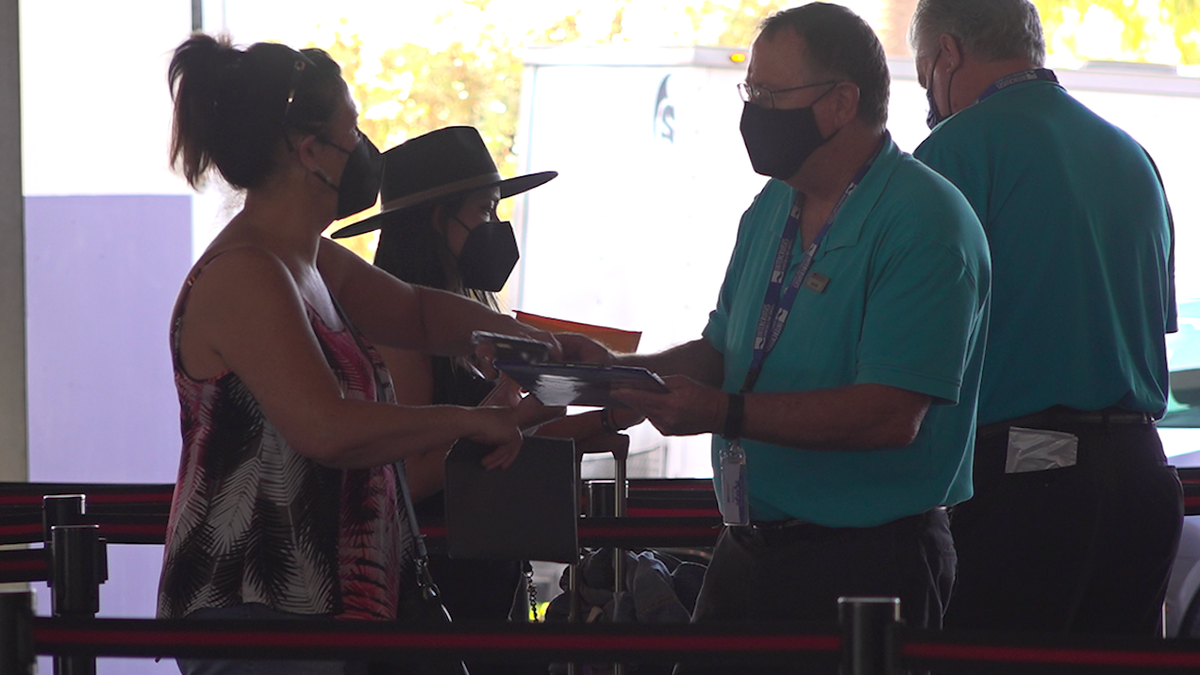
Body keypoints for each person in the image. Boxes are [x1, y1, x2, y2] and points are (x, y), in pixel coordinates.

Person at [158, 35, 574, 675]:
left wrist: (525, 344)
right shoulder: (247, 273)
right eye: (352, 129)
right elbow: (327, 428)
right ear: (310, 150)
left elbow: (417, 312)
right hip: (258, 610)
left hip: (333, 608)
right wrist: (467, 419)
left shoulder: (309, 258)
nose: (363, 148)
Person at [601, 5, 989, 672]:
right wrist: (619, 374)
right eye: (748, 93)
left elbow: (890, 415)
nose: (752, 114)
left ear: (841, 103)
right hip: (748, 548)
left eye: (768, 96)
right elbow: (723, 353)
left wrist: (722, 412)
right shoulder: (771, 209)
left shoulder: (924, 221)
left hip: (867, 566)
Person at [909, 0, 1183, 637]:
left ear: (948, 54)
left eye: (925, 74)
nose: (930, 93)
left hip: (1023, 485)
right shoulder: (1133, 157)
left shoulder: (951, 154)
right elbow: (1151, 327)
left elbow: (906, 346)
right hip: (1142, 479)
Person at [331, 127, 643, 667]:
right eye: (484, 212)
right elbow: (416, 473)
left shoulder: (470, 305)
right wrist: (515, 393)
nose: (496, 229)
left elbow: (495, 442)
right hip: (437, 577)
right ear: (437, 219)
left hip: (487, 568)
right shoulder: (400, 327)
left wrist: (602, 414)